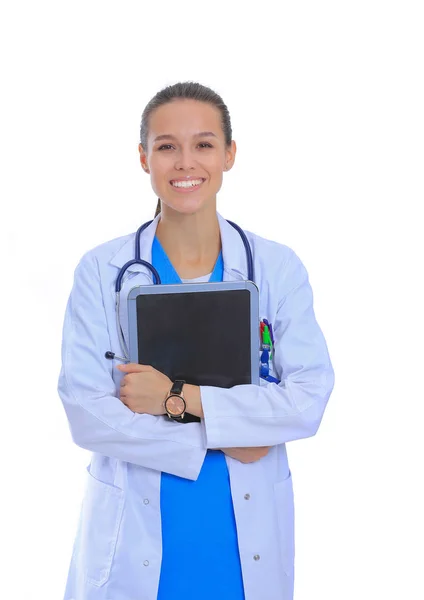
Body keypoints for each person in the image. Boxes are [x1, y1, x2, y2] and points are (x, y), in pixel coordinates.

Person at [58, 81, 335, 600]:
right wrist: (239, 433)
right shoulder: (103, 271)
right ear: (144, 158)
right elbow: (87, 411)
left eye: (204, 144)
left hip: (240, 543)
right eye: (167, 146)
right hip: (134, 544)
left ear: (230, 154)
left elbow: (308, 398)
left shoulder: (276, 268)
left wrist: (174, 400)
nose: (186, 163)